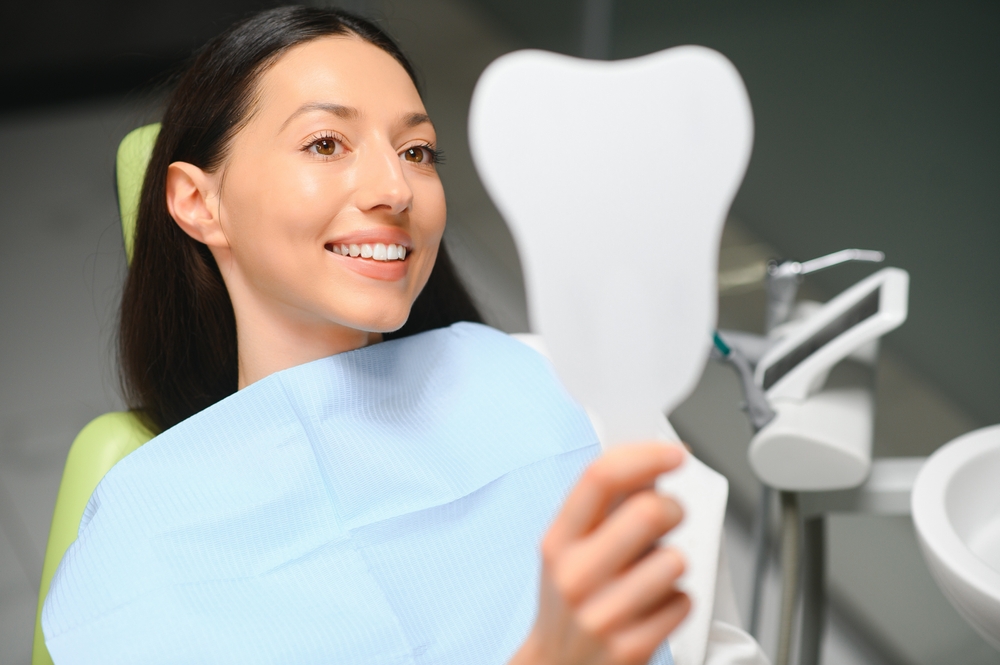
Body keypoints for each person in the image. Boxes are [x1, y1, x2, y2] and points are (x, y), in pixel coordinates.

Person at [42, 7, 765, 664]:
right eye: (326, 143)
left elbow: (717, 646)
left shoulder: (560, 388)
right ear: (198, 202)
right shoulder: (144, 535)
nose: (395, 188)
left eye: (417, 151)